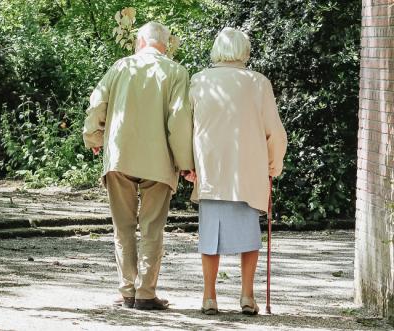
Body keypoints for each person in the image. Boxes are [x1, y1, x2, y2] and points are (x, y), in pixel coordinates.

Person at [83, 22, 195, 310]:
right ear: (166, 44)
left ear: (140, 41)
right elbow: (179, 120)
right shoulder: (176, 72)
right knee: (152, 228)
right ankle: (145, 293)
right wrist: (185, 163)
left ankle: (127, 291)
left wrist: (94, 136)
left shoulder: (120, 67)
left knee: (123, 227)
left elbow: (97, 105)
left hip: (120, 157)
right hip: (158, 161)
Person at [187, 27, 287, 315]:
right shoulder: (258, 83)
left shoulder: (199, 81)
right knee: (249, 237)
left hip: (212, 170)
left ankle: (209, 297)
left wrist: (187, 165)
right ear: (245, 50)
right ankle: (246, 295)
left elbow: (186, 127)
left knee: (209, 236)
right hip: (248, 171)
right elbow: (275, 133)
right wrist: (273, 164)